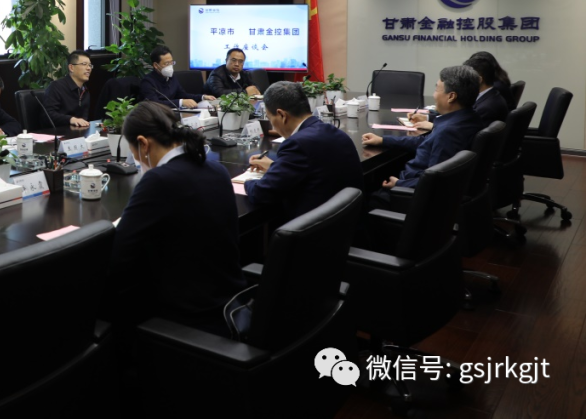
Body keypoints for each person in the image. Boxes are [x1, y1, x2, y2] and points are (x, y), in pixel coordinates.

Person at [108, 102, 245, 336]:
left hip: (188, 316)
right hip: (228, 301)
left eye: (132, 152)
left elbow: (119, 254)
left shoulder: (159, 181)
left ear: (143, 143)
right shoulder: (216, 169)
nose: (135, 159)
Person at [363, 66, 484, 205]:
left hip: (412, 196)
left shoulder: (448, 132)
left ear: (451, 96)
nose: (434, 95)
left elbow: (436, 179)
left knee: (363, 193)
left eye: (436, 89)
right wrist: (383, 140)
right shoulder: (470, 118)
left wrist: (400, 184)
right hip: (418, 183)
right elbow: (424, 141)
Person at [244, 81, 363, 222]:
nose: (273, 126)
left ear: (282, 115)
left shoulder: (296, 144)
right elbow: (314, 167)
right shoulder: (335, 132)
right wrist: (275, 166)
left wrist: (247, 182)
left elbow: (261, 194)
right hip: (345, 224)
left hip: (312, 229)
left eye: (270, 119)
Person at [408, 54, 508, 130]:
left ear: (479, 80)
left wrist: (433, 126)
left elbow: (463, 129)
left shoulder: (487, 107)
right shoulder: (488, 96)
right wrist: (427, 118)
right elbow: (457, 119)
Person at [139, 45, 216, 109]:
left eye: (171, 62)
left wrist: (202, 97)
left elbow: (183, 95)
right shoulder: (147, 82)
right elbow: (154, 104)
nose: (170, 66)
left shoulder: (171, 77)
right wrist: (181, 102)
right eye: (166, 63)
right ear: (156, 65)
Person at [43, 51, 92, 128]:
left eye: (90, 65)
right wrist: (70, 119)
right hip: (58, 132)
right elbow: (48, 115)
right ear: (71, 67)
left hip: (79, 132)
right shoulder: (56, 87)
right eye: (84, 64)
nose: (88, 68)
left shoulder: (84, 90)